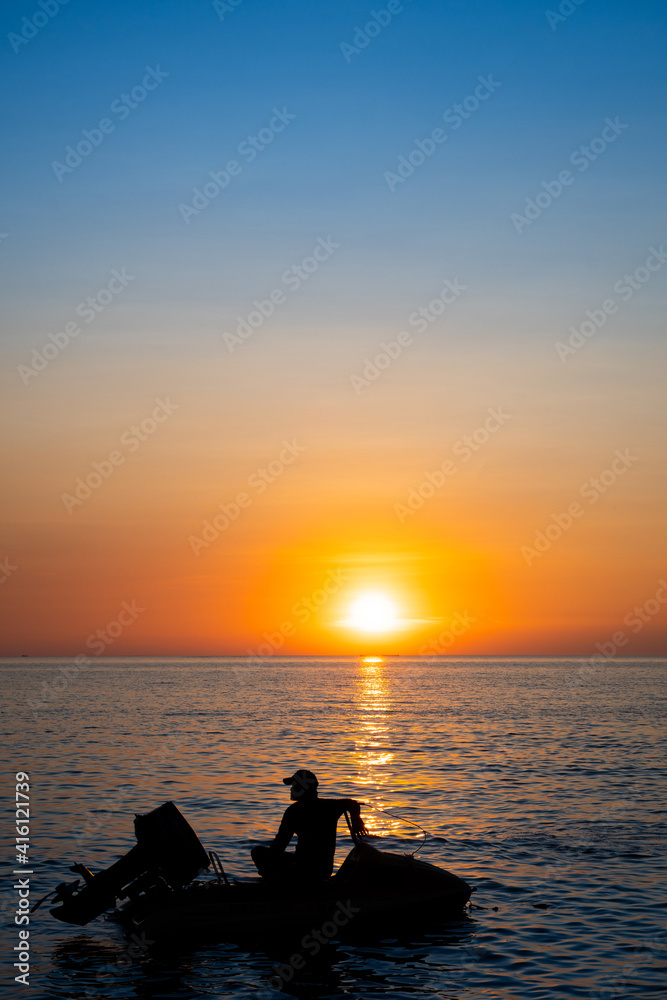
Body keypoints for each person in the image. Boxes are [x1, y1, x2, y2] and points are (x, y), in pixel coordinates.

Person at [251, 769, 369, 883]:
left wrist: (357, 821)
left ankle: (277, 884)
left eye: (294, 786)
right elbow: (280, 843)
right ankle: (276, 880)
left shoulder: (325, 808)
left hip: (318, 869)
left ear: (302, 788)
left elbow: (352, 804)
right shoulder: (295, 811)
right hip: (299, 862)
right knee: (258, 852)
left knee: (286, 869)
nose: (291, 789)